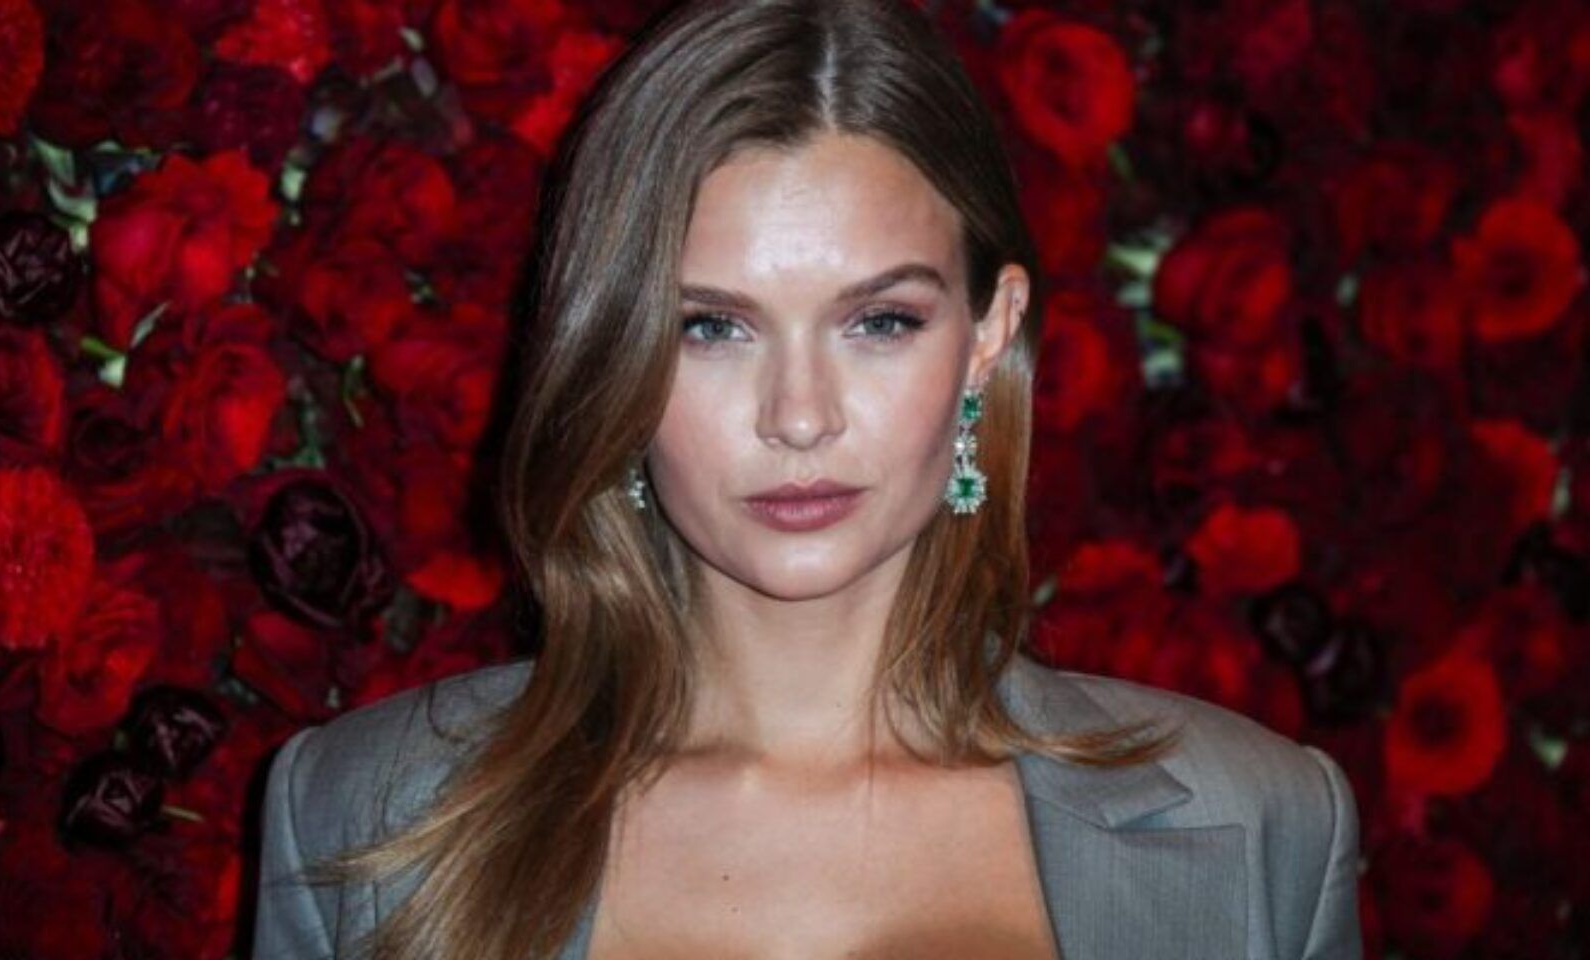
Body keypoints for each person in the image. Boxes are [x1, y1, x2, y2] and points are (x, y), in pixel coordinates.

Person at [251, 0, 1364, 958]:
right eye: (709, 328)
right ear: (611, 353)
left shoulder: (1260, 828)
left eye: (879, 321)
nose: (798, 415)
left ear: (989, 334)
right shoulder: (362, 814)